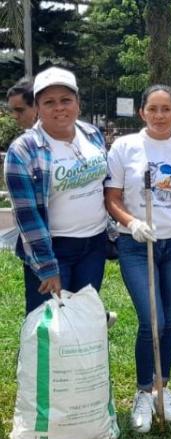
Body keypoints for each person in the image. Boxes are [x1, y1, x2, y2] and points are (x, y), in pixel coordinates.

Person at [105, 84, 171, 433]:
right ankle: (143, 392)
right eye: (153, 109)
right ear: (141, 112)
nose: (159, 115)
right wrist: (131, 223)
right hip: (137, 245)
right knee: (152, 320)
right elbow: (112, 197)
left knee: (170, 320)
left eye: (166, 109)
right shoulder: (124, 147)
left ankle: (163, 386)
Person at [4, 67, 109, 314]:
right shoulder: (23, 150)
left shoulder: (92, 135)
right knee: (47, 322)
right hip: (53, 248)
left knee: (83, 316)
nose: (59, 107)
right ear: (37, 108)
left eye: (66, 100)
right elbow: (26, 215)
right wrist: (47, 266)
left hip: (94, 244)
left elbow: (103, 186)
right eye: (49, 102)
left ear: (78, 103)